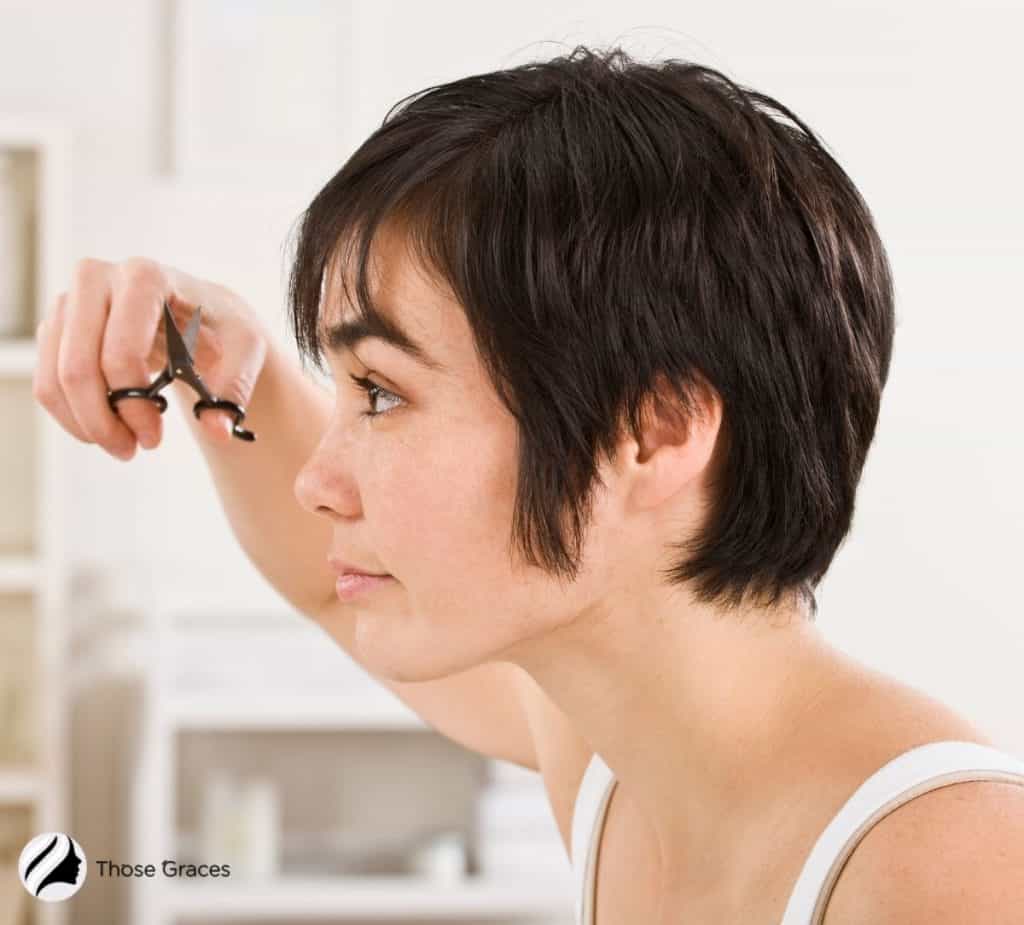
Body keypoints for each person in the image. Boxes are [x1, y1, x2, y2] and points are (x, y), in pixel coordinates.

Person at [34, 45, 1024, 924]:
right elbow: (318, 578)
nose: (320, 484)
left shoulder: (952, 873)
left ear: (657, 432)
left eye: (380, 393)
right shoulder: (605, 750)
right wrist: (210, 357)